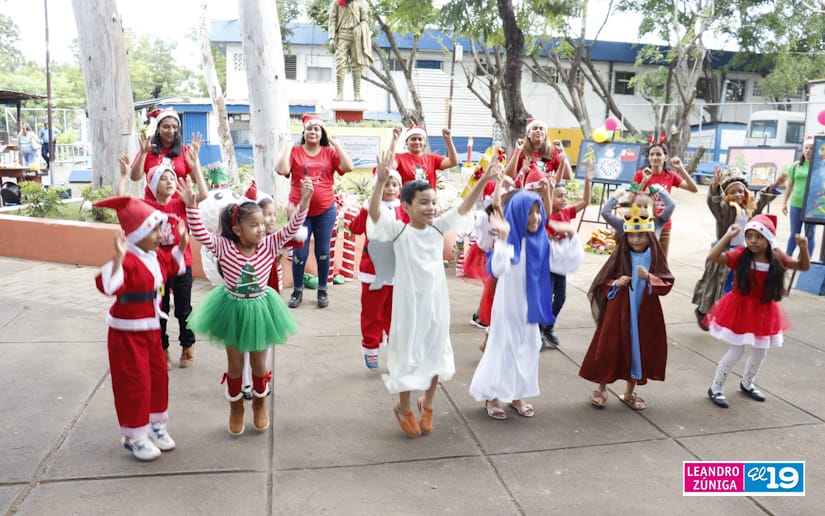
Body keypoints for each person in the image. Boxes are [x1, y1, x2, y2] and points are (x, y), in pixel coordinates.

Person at [367, 145, 499, 437]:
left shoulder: (438, 228)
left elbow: (464, 206)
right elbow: (375, 214)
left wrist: (485, 177)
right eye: (423, 203)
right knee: (406, 353)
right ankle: (403, 406)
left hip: (436, 304)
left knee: (436, 353)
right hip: (407, 306)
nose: (430, 208)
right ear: (406, 206)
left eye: (433, 202)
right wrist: (380, 181)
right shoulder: (399, 230)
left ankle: (428, 402)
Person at [182, 178, 313, 435]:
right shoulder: (224, 247)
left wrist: (305, 201)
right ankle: (236, 408)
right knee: (234, 365)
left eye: (263, 224)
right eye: (253, 225)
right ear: (238, 229)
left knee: (258, 364)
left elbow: (292, 228)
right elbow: (199, 232)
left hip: (261, 310)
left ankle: (260, 404)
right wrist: (191, 206)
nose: (261, 229)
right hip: (233, 310)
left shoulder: (269, 245)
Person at [93, 195, 187, 461]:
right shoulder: (129, 261)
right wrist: (119, 258)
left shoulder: (154, 257)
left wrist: (181, 243)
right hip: (126, 335)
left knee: (158, 378)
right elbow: (108, 286)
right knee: (135, 383)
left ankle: (156, 426)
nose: (160, 235)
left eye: (159, 228)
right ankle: (135, 435)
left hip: (151, 331)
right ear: (137, 233)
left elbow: (174, 267)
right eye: (154, 229)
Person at [705, 215, 810, 408]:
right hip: (740, 308)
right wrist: (728, 237)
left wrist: (803, 247)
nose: (752, 241)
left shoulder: (777, 257)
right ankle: (716, 387)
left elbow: (803, 266)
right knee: (736, 350)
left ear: (769, 239)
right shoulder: (741, 255)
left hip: (764, 310)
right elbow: (713, 256)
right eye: (749, 236)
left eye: (758, 237)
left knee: (761, 351)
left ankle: (747, 382)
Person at [117, 149, 207, 369]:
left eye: (172, 178)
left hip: (181, 265)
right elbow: (122, 204)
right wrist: (124, 175)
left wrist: (195, 167)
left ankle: (188, 345)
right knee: (161, 308)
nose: (169, 181)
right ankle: (161, 347)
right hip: (157, 271)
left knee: (184, 308)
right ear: (152, 183)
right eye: (163, 178)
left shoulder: (179, 203)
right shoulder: (147, 206)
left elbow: (202, 195)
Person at [468, 190, 554, 420]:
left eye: (538, 211)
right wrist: (504, 239)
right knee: (503, 347)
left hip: (530, 307)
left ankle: (517, 394)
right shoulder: (508, 239)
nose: (535, 218)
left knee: (529, 346)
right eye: (529, 213)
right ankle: (492, 395)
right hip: (508, 306)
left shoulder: (541, 239)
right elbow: (497, 269)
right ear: (517, 214)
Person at [579, 202, 674, 411]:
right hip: (618, 311)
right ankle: (602, 388)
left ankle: (629, 392)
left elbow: (667, 281)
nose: (636, 240)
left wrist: (649, 277)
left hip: (643, 312)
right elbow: (602, 279)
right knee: (609, 346)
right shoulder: (621, 254)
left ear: (648, 236)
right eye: (631, 236)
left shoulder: (655, 257)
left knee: (637, 348)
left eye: (640, 236)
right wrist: (615, 282)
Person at [691, 166, 785, 330]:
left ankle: (726, 316)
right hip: (723, 252)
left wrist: (774, 185)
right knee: (713, 285)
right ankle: (702, 310)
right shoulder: (725, 209)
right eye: (733, 192)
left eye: (741, 191)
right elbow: (714, 204)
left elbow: (762, 199)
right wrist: (714, 187)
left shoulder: (749, 209)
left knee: (734, 286)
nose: (738, 195)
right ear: (727, 194)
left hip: (742, 253)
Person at [276, 114, 354, 309]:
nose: (313, 132)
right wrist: (287, 146)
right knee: (299, 253)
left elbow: (349, 167)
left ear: (322, 133)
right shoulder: (294, 151)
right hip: (299, 211)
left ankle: (322, 290)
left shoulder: (329, 153)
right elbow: (281, 169)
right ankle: (298, 291)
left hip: (325, 211)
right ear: (304, 132)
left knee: (323, 251)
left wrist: (336, 144)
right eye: (309, 129)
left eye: (317, 129)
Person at [349, 168, 405, 370]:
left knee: (395, 311)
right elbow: (355, 228)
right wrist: (365, 209)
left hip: (398, 270)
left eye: (394, 184)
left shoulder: (404, 208)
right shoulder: (370, 208)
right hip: (373, 271)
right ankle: (371, 348)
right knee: (373, 312)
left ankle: (395, 347)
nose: (390, 189)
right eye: (385, 184)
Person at [539, 164, 594, 348]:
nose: (564, 199)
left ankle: (547, 326)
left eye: (566, 196)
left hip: (560, 263)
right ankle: (539, 330)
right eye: (559, 196)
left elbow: (585, 202)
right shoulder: (545, 215)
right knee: (545, 298)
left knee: (560, 298)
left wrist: (587, 180)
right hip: (546, 264)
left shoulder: (566, 213)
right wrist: (548, 188)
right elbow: (546, 211)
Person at [631, 141, 698, 256]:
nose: (654, 157)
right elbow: (632, 198)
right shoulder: (640, 174)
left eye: (658, 154)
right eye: (651, 154)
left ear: (665, 157)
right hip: (644, 224)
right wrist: (644, 181)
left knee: (661, 261)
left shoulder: (670, 175)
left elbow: (694, 188)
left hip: (664, 225)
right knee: (645, 259)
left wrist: (681, 169)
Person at [130, 108, 203, 203]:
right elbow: (134, 177)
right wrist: (143, 154)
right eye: (166, 127)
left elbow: (196, 180)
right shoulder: (148, 149)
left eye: (175, 127)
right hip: (152, 208)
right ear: (158, 129)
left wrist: (195, 160)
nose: (171, 131)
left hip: (179, 206)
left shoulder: (185, 151)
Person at [503, 118, 572, 188]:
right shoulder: (520, 151)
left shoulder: (552, 152)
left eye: (541, 129)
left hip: (545, 194)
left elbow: (567, 176)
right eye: (535, 128)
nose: (538, 130)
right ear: (528, 135)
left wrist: (562, 153)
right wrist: (517, 152)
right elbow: (507, 176)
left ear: (545, 135)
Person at [328, 0, 373, 101]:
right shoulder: (337, 2)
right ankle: (339, 94)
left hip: (355, 37)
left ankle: (357, 94)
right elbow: (332, 19)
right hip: (342, 36)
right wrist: (331, 37)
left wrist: (360, 27)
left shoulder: (361, 2)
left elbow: (365, 20)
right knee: (340, 66)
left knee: (357, 66)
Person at [393, 124, 458, 190]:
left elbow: (453, 162)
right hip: (406, 199)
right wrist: (394, 140)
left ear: (424, 142)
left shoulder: (432, 158)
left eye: (420, 139)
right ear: (406, 142)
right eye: (413, 139)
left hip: (427, 199)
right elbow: (389, 166)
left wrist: (448, 140)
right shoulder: (399, 157)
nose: (417, 142)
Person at [782, 136, 816, 257]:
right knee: (794, 233)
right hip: (796, 204)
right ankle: (787, 257)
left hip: (812, 205)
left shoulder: (819, 166)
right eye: (806, 148)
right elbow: (789, 186)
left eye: (811, 148)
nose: (808, 150)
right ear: (803, 150)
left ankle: (807, 259)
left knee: (810, 234)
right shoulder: (796, 165)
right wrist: (784, 202)